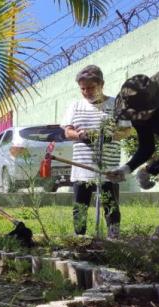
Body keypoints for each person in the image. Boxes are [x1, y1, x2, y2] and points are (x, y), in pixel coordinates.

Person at [61, 65, 126, 239]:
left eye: (91, 88)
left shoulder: (115, 104)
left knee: (110, 205)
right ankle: (79, 239)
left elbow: (127, 130)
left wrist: (109, 136)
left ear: (101, 84)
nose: (87, 92)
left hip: (108, 166)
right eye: (83, 89)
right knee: (80, 206)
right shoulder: (75, 106)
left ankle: (114, 239)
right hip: (82, 166)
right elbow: (67, 131)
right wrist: (79, 135)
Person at [109, 71, 159, 236]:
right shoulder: (136, 108)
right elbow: (146, 147)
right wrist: (125, 169)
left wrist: (151, 169)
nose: (138, 119)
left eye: (142, 114)